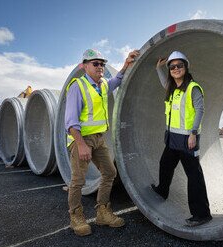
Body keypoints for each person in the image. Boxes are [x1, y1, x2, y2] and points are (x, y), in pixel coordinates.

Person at [65, 48, 139, 236]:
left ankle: (102, 212)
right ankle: (76, 217)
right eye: (95, 63)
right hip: (81, 139)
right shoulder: (78, 86)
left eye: (102, 64)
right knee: (78, 180)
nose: (100, 67)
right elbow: (71, 121)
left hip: (98, 138)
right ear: (84, 66)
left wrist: (126, 64)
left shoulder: (103, 85)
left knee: (109, 172)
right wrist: (81, 145)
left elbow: (117, 81)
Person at [151, 51, 212, 227]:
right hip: (172, 138)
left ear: (185, 68)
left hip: (187, 139)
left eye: (179, 66)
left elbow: (200, 110)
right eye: (172, 67)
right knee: (165, 164)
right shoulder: (172, 89)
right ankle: (162, 191)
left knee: (194, 176)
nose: (176, 69)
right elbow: (164, 82)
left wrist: (193, 133)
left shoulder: (193, 88)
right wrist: (158, 68)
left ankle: (202, 214)